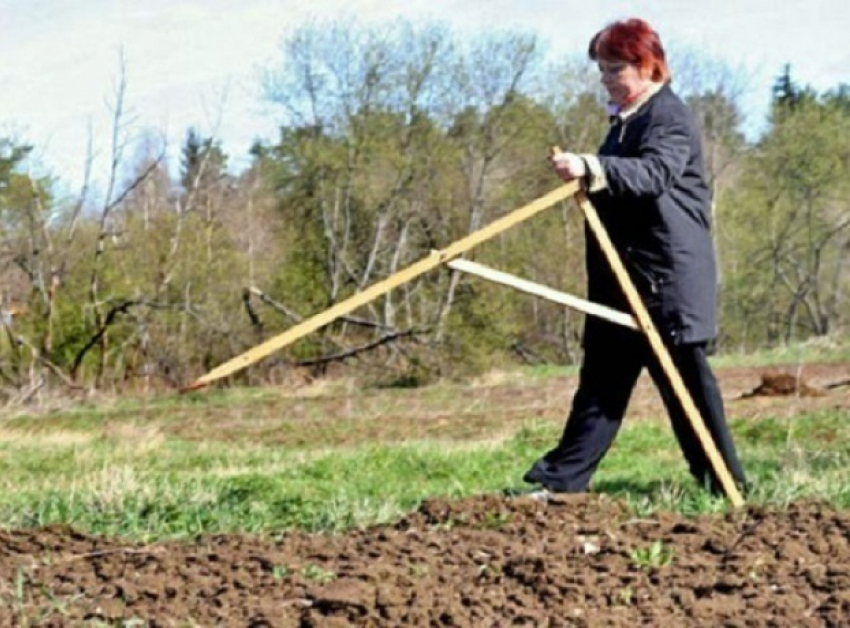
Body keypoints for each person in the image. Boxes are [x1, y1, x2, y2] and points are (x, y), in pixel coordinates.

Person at [523, 18, 747, 496]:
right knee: (601, 384)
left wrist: (591, 166)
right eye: (601, 70)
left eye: (614, 69)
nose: (605, 79)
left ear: (647, 66)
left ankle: (725, 485)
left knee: (686, 387)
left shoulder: (667, 116)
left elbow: (654, 174)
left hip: (665, 283)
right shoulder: (622, 124)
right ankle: (561, 482)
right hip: (622, 284)